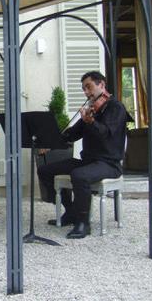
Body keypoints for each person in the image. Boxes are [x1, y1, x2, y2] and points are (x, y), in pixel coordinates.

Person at [37, 71, 130, 239]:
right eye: (84, 89)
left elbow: (106, 134)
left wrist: (92, 122)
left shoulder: (116, 108)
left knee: (79, 175)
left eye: (89, 87)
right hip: (89, 161)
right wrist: (50, 143)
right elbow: (72, 134)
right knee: (45, 170)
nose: (86, 93)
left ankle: (83, 223)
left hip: (109, 164)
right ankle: (71, 211)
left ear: (101, 84)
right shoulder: (91, 111)